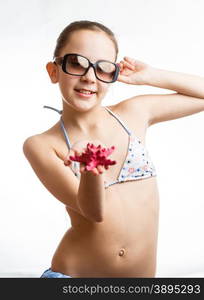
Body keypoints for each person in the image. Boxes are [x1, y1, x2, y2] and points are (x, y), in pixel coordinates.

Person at [23, 20, 204, 278]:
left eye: (102, 68)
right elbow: (94, 213)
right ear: (54, 71)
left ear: (113, 75)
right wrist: (91, 166)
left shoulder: (133, 113)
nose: (89, 77)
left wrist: (150, 76)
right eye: (76, 63)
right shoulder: (42, 145)